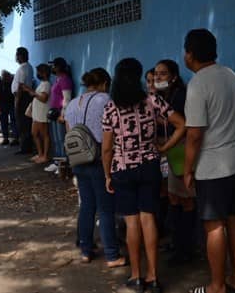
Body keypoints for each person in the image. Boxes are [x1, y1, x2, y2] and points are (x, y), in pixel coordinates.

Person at [101, 58, 186, 293]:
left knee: (132, 222)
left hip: (123, 169)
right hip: (150, 166)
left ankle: (137, 276)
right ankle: (154, 277)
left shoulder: (111, 107)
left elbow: (107, 148)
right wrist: (164, 148)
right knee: (149, 220)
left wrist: (107, 174)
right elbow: (181, 124)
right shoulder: (152, 100)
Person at [182, 29, 235, 293]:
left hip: (212, 167)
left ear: (190, 54)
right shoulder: (234, 78)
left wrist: (188, 169)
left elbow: (195, 134)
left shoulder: (198, 84)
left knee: (214, 226)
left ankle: (217, 286)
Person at [65, 67, 126, 267]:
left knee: (87, 206)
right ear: (105, 84)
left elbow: (69, 132)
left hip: (78, 159)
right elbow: (113, 131)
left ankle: (85, 250)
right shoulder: (106, 100)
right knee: (106, 208)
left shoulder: (73, 103)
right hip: (99, 159)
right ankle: (112, 255)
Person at [153, 59, 194, 265]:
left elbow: (181, 123)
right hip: (169, 152)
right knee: (173, 198)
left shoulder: (181, 96)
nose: (158, 77)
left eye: (163, 74)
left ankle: (185, 249)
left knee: (185, 200)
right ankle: (177, 243)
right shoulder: (162, 96)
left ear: (174, 76)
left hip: (179, 150)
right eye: (156, 73)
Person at [47, 57, 73, 173]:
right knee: (56, 140)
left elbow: (66, 99)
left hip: (60, 113)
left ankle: (63, 165)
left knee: (61, 139)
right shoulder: (58, 79)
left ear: (59, 67)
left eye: (54, 66)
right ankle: (57, 162)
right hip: (54, 112)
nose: (52, 68)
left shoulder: (65, 80)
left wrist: (63, 114)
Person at [22, 63, 51, 164]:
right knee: (35, 134)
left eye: (39, 72)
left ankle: (45, 155)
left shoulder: (46, 84)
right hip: (37, 113)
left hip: (42, 113)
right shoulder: (42, 84)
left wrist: (32, 93)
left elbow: (43, 98)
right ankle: (40, 153)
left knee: (44, 134)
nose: (37, 74)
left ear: (43, 73)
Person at [11, 47, 34, 154]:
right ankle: (26, 145)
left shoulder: (22, 69)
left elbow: (20, 86)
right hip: (25, 96)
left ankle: (24, 147)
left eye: (17, 55)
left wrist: (17, 101)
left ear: (21, 56)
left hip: (22, 96)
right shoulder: (29, 67)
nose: (16, 57)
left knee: (22, 122)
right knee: (25, 122)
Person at [0, 70, 16, 146]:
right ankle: (5, 138)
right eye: (5, 79)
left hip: (12, 103)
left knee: (14, 120)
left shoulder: (13, 79)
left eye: (7, 79)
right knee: (3, 121)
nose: (6, 80)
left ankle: (16, 138)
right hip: (2, 104)